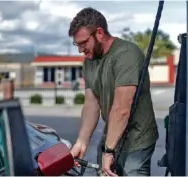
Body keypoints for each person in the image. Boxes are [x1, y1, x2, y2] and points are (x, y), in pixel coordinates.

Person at [68, 7, 159, 176]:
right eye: (77, 44)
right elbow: (91, 103)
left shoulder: (126, 54)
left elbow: (122, 107)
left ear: (99, 33)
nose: (80, 50)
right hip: (111, 137)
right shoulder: (90, 60)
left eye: (83, 43)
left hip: (136, 139)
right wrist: (81, 142)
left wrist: (108, 152)